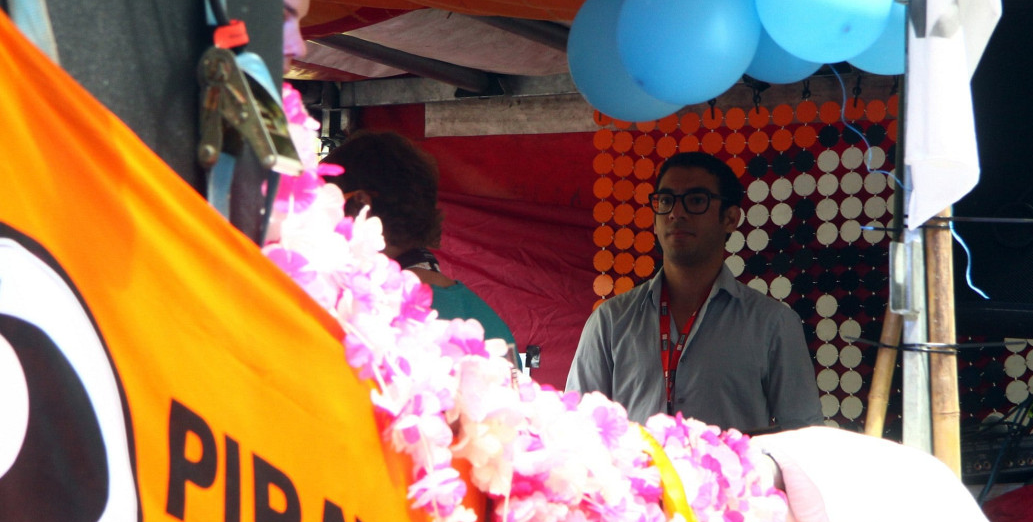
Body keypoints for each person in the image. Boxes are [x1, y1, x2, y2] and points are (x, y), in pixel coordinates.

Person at [565, 152, 820, 434]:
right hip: (634, 465)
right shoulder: (611, 321)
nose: (676, 213)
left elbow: (803, 435)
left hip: (730, 465)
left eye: (696, 200)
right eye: (666, 201)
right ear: (655, 219)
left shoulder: (773, 324)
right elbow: (576, 428)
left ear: (730, 218)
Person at [325, 130, 518, 352]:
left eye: (327, 203)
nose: (317, 218)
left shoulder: (360, 314)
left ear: (361, 205)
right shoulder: (491, 324)